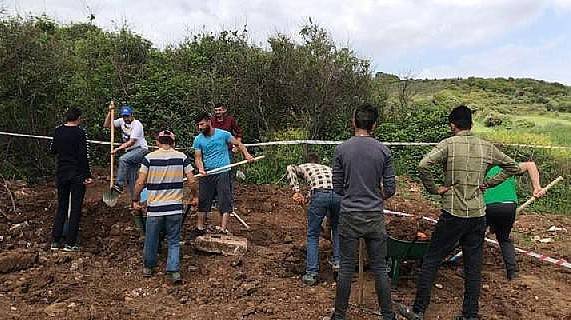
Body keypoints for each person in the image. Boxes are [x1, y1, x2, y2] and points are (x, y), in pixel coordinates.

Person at [398, 105, 522, 320]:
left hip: (453, 213)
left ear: (452, 125)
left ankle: (418, 310)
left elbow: (423, 165)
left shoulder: (448, 144)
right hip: (477, 215)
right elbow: (514, 167)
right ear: (471, 124)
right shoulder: (486, 146)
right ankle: (470, 315)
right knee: (473, 266)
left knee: (432, 259)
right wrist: (488, 184)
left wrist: (434, 189)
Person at [331, 103, 396, 320]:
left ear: (353, 122)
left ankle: (340, 315)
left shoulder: (341, 150)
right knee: (379, 267)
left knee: (346, 266)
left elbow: (337, 188)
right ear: (374, 125)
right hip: (374, 215)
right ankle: (388, 315)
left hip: (349, 214)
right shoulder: (383, 151)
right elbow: (390, 189)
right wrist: (378, 197)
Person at [132, 130, 197, 284]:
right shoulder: (182, 157)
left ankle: (148, 267)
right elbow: (192, 181)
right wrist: (195, 196)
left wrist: (135, 199)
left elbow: (140, 182)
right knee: (174, 240)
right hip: (174, 208)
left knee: (151, 238)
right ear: (173, 143)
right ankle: (173, 271)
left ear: (157, 142)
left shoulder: (148, 158)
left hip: (155, 208)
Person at [190, 112, 254, 237]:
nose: (200, 127)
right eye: (198, 125)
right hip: (207, 174)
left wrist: (246, 154)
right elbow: (198, 158)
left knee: (225, 200)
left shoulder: (223, 134)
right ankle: (200, 228)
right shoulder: (198, 139)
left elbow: (238, 144)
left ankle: (223, 229)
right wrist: (201, 169)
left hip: (223, 172)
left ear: (209, 121)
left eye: (202, 124)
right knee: (203, 201)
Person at [484, 161, 546, 280]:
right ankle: (512, 272)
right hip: (509, 206)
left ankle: (469, 271)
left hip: (488, 206)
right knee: (504, 238)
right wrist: (537, 187)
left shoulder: (481, 169)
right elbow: (531, 165)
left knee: (475, 238)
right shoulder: (507, 167)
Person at [286, 153, 340, 286]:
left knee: (313, 234)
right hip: (338, 195)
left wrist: (297, 191)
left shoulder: (304, 167)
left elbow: (289, 168)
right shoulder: (328, 169)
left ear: (308, 162)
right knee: (337, 229)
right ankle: (338, 263)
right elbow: (320, 190)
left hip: (320, 194)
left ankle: (311, 273)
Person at [50, 107, 93, 252]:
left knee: (61, 206)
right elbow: (83, 156)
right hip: (76, 174)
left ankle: (55, 240)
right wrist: (87, 175)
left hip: (62, 172)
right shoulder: (80, 133)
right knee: (75, 208)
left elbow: (53, 150)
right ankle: (70, 242)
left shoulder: (58, 131)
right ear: (78, 118)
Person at [103, 104, 149, 201]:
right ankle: (136, 202)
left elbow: (132, 141)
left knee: (123, 159)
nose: (126, 118)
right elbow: (107, 125)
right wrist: (110, 112)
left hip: (141, 150)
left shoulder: (137, 124)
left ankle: (119, 185)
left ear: (132, 115)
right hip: (131, 152)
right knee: (132, 181)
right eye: (124, 116)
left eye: (127, 116)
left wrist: (118, 149)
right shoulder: (121, 121)